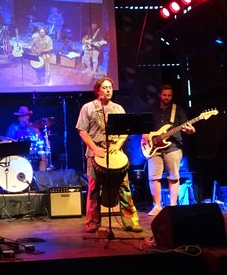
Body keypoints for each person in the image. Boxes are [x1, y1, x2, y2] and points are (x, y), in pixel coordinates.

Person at [76, 76, 142, 233]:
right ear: (98, 90)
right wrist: (94, 148)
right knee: (94, 188)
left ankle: (130, 221)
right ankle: (93, 221)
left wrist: (118, 144)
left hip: (115, 151)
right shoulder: (88, 107)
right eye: (104, 88)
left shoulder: (118, 108)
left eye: (110, 88)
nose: (108, 90)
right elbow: (82, 131)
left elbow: (126, 130)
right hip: (95, 152)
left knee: (124, 186)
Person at [141, 84, 195, 217]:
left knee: (173, 177)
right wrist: (145, 134)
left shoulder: (178, 110)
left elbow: (187, 127)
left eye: (169, 95)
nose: (167, 97)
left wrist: (190, 130)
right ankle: (157, 206)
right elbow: (144, 126)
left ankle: (173, 206)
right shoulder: (152, 109)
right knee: (154, 177)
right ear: (160, 95)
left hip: (173, 147)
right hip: (154, 148)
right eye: (164, 95)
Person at [6, 106, 46, 171]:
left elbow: (40, 140)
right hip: (17, 152)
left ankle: (41, 175)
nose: (22, 118)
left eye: (24, 116)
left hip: (32, 151)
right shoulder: (13, 127)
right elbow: (7, 141)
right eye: (20, 116)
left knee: (43, 155)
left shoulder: (33, 127)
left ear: (28, 117)